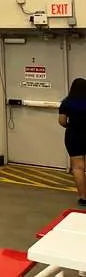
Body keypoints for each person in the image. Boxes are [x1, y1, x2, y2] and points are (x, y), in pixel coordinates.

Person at [59, 78, 86, 207]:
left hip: (74, 135)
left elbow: (62, 121)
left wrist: (72, 125)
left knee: (78, 167)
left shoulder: (67, 102)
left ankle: (83, 197)